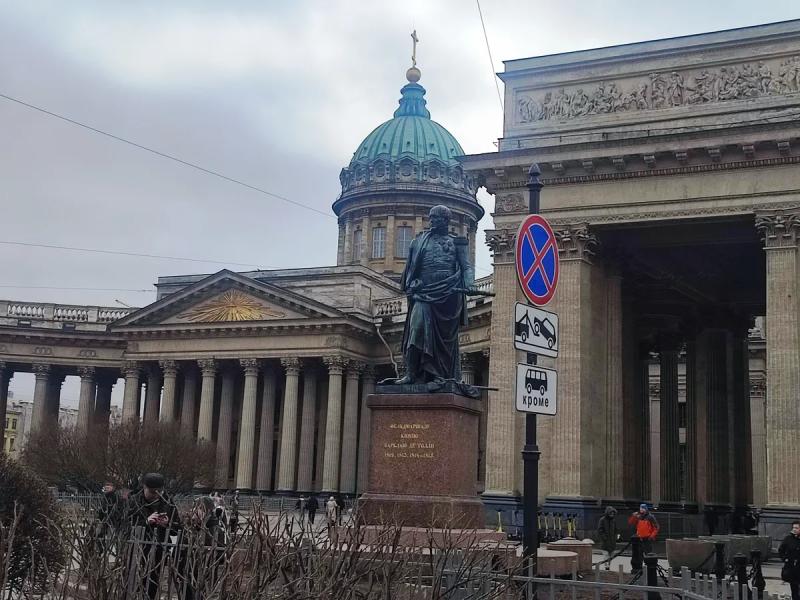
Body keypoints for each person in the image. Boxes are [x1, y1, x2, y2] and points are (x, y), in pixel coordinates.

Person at [395, 205, 476, 389]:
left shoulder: (458, 242)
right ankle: (411, 373)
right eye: (430, 218)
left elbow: (466, 267)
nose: (431, 222)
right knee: (416, 330)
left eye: (435, 219)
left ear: (446, 220)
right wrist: (412, 283)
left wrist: (469, 284)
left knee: (444, 343)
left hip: (448, 297)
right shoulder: (418, 242)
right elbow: (410, 272)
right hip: (424, 295)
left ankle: (439, 375)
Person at [125, 473, 182, 600]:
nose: (156, 495)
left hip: (158, 549)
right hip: (137, 549)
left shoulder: (168, 503)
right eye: (152, 492)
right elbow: (126, 525)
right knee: (132, 581)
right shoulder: (134, 501)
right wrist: (145, 522)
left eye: (159, 491)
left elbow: (177, 529)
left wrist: (168, 524)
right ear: (144, 487)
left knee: (152, 583)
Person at [779, 521, 800, 600]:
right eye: (793, 527)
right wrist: (785, 559)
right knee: (794, 588)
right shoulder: (788, 539)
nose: (794, 529)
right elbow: (781, 550)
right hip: (792, 568)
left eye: (796, 528)